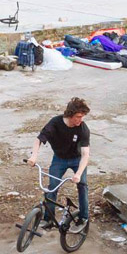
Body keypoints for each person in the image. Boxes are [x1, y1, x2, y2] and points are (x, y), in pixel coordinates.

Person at [27, 97, 91, 234]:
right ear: (70, 114)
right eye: (78, 117)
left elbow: (85, 155)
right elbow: (39, 139)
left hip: (77, 159)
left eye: (82, 117)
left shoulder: (82, 128)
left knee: (82, 185)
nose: (81, 120)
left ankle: (83, 218)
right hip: (59, 159)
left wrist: (78, 174)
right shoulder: (55, 123)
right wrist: (34, 156)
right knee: (52, 186)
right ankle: (48, 219)